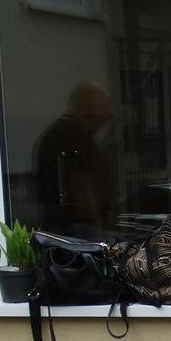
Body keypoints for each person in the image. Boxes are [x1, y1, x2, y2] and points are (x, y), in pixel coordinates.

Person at [34, 80, 116, 239]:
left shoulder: (57, 133)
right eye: (104, 111)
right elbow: (81, 189)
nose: (106, 118)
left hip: (63, 226)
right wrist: (97, 221)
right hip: (77, 229)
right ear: (91, 108)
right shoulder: (76, 136)